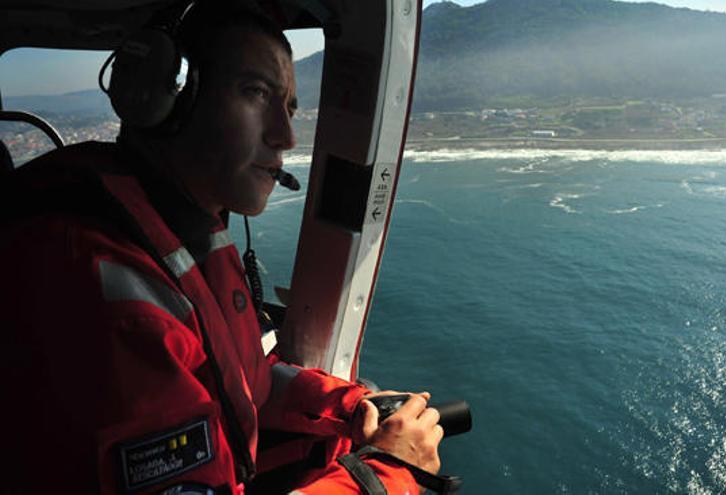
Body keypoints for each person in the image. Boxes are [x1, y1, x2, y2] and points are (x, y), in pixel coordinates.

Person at [0, 2, 443, 494]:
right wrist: (388, 474)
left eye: (290, 107)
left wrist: (348, 405)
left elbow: (243, 378)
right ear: (167, 97)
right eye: (255, 93)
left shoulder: (186, 232)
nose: (286, 135)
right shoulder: (95, 288)